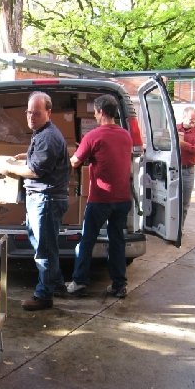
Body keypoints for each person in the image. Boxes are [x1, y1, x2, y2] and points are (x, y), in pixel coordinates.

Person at [0, 91, 70, 311]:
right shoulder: (42, 132)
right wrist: (24, 156)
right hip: (42, 199)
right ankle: (55, 284)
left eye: (36, 113)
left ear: (49, 112)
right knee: (47, 245)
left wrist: (8, 168)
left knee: (43, 251)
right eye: (28, 112)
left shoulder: (47, 137)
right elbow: (39, 160)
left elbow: (35, 171)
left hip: (45, 200)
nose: (31, 117)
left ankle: (44, 295)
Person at [66, 94, 133, 299]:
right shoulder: (126, 135)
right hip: (123, 199)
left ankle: (79, 282)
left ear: (101, 112)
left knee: (87, 240)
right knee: (117, 241)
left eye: (95, 111)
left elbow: (74, 162)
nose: (94, 115)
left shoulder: (93, 136)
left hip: (100, 199)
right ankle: (119, 285)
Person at [177, 106, 195, 228]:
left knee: (184, 203)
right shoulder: (175, 128)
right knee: (170, 201)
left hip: (187, 171)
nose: (193, 122)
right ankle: (169, 229)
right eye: (190, 119)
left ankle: (180, 230)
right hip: (172, 169)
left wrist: (183, 144)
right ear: (183, 117)